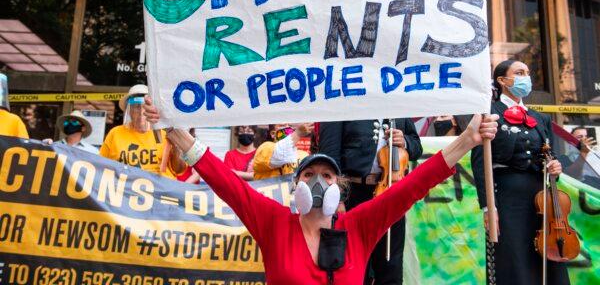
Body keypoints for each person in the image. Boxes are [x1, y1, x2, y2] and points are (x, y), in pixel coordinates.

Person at [143, 96, 498, 285]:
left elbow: (414, 186)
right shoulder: (273, 223)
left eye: (327, 176)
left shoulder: (359, 225)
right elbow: (225, 181)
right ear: (296, 184)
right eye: (308, 173)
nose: (317, 181)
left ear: (339, 186)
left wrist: (468, 138)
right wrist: (172, 128)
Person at [471, 59, 568, 285]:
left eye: (527, 72)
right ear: (502, 80)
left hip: (542, 201)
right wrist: (488, 206)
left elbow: (550, 155)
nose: (526, 76)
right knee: (513, 260)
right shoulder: (489, 113)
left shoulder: (541, 118)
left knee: (547, 260)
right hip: (507, 198)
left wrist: (554, 168)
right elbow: (479, 163)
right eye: (519, 72)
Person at [318, 118, 423, 285]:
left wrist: (405, 141)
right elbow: (329, 155)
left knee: (391, 267)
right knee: (354, 265)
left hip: (390, 192)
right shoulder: (343, 100)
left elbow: (417, 146)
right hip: (353, 194)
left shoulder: (398, 102)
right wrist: (338, 198)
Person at [100, 84, 186, 179]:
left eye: (145, 107)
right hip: (125, 191)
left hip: (159, 191)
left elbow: (179, 170)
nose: (141, 112)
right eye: (136, 107)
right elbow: (100, 167)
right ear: (129, 111)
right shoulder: (115, 134)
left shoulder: (165, 132)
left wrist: (176, 148)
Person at [0, 73, 29, 138]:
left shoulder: (14, 120)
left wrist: (44, 145)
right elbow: (25, 144)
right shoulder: (14, 119)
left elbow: (25, 144)